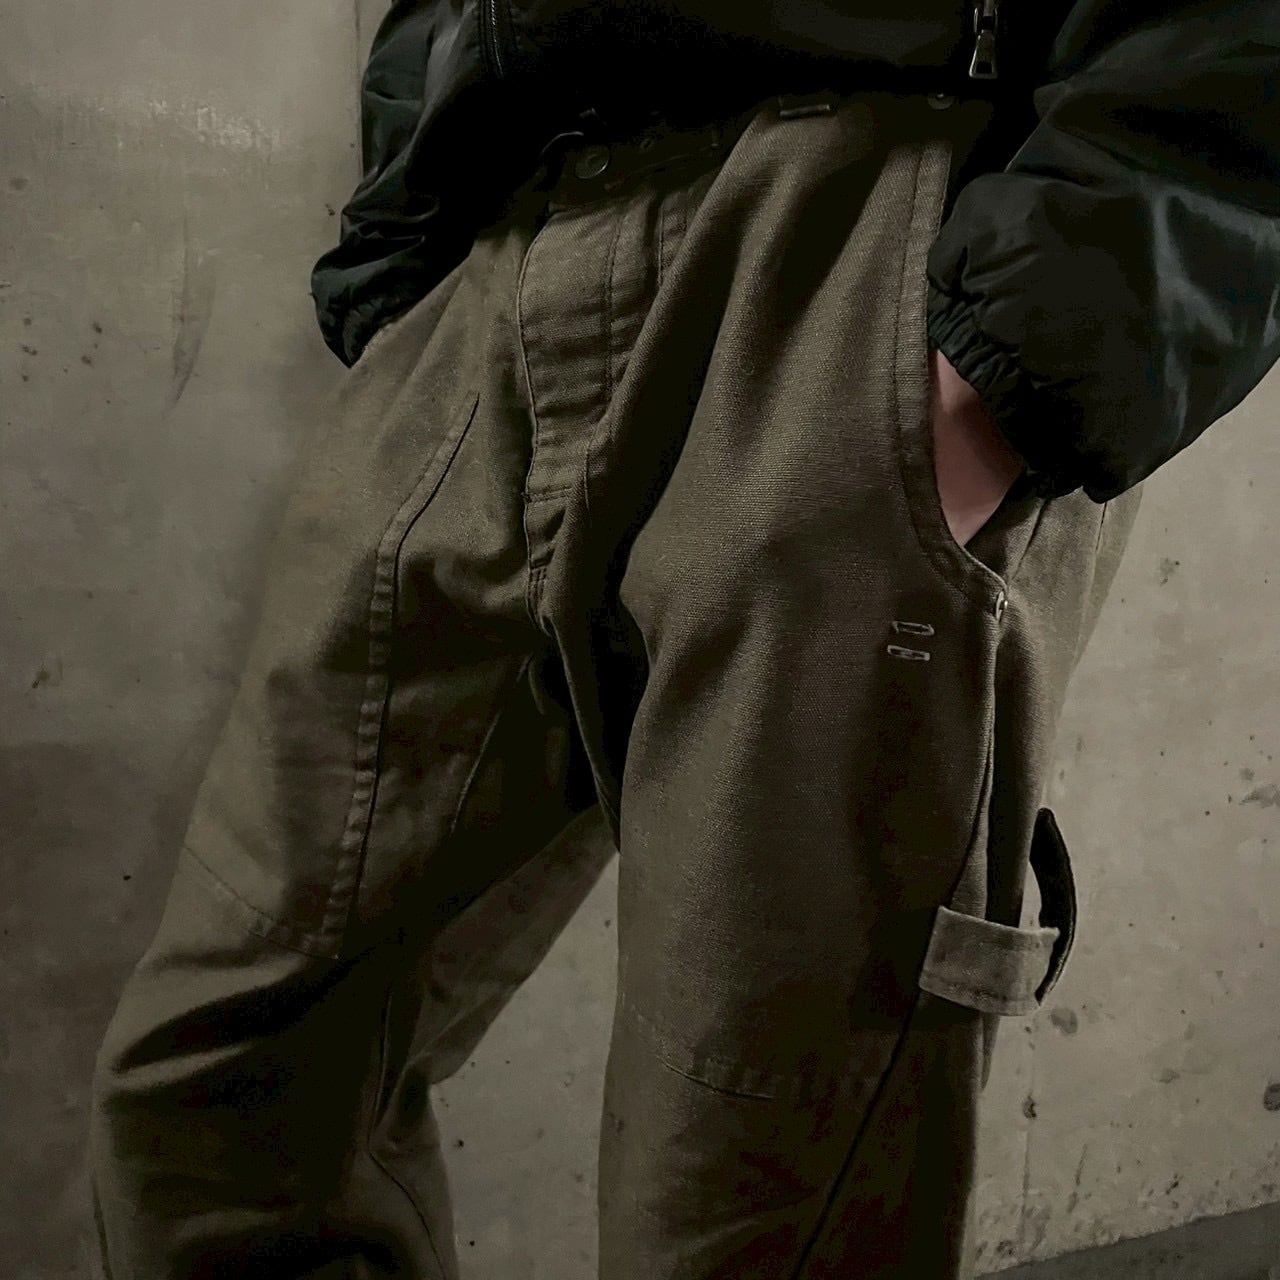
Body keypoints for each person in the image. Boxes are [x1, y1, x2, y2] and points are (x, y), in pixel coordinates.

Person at [89, 2, 1280, 1277]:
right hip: (501, 244)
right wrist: (399, 255)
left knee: (745, 1179)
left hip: (853, 228)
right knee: (221, 1081)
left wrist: (1021, 344)